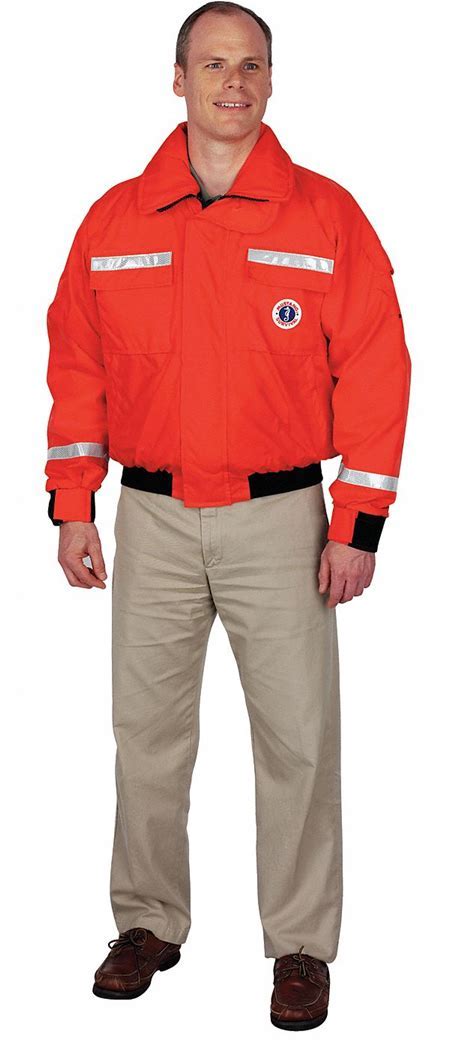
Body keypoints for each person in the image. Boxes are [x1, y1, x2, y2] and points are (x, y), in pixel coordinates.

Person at [44, 1, 411, 1029]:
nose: (233, 83)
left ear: (271, 81)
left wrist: (358, 522)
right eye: (212, 65)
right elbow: (77, 368)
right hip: (152, 518)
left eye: (251, 65)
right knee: (146, 735)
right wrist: (73, 505)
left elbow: (378, 368)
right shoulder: (114, 221)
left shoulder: (325, 216)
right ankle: (147, 922)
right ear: (178, 81)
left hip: (281, 518)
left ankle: (300, 946)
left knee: (299, 739)